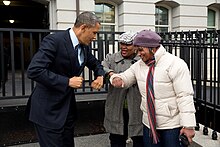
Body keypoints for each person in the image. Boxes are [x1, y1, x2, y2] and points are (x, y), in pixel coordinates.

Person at [26, 11, 105, 147]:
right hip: (48, 111)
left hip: (67, 111)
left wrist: (100, 75)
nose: (95, 37)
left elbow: (95, 63)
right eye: (94, 33)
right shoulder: (54, 41)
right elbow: (34, 70)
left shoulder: (84, 47)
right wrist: (67, 81)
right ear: (83, 28)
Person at [110, 29, 196, 147]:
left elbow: (185, 96)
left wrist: (188, 125)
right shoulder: (139, 65)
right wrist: (115, 78)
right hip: (148, 124)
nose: (138, 54)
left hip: (171, 125)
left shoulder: (175, 64)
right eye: (137, 50)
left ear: (153, 48)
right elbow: (124, 77)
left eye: (141, 50)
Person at [102, 31, 143, 147]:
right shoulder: (112, 58)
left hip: (137, 107)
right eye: (122, 43)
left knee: (140, 139)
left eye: (128, 44)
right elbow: (101, 67)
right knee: (117, 139)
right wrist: (110, 73)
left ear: (136, 46)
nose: (124, 47)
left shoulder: (142, 59)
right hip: (117, 107)